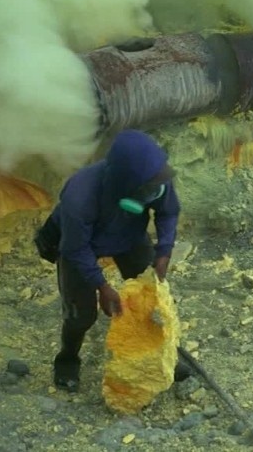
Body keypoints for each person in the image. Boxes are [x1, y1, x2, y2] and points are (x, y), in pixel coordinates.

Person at [49, 129, 185, 392]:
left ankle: (160, 356)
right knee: (80, 315)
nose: (158, 189)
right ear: (128, 184)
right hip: (81, 245)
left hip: (129, 237)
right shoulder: (80, 195)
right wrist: (102, 286)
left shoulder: (156, 177)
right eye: (151, 186)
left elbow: (168, 212)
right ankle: (67, 360)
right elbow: (76, 248)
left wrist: (164, 250)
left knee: (149, 296)